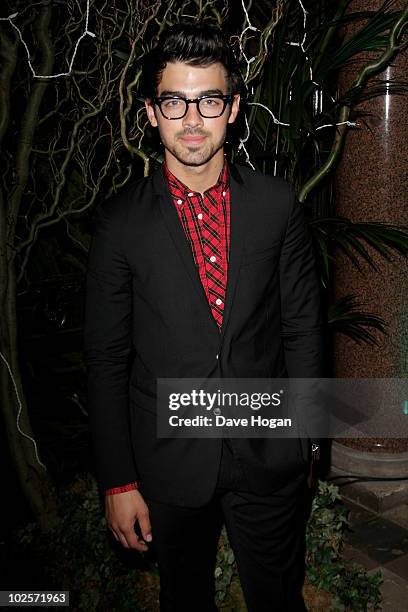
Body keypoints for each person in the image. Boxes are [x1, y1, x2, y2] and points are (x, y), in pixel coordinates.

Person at [84, 21, 324, 612]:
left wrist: (310, 440)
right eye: (174, 101)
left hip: (269, 452)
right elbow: (107, 359)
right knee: (184, 600)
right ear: (150, 113)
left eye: (209, 100)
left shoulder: (276, 206)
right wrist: (118, 482)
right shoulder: (121, 225)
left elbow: (302, 327)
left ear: (233, 108)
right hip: (167, 460)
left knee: (278, 598)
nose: (192, 119)